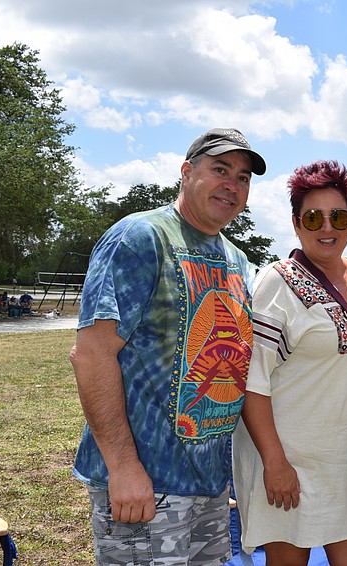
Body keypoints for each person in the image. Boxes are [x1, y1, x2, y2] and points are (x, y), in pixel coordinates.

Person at [69, 127, 266, 565]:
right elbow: (92, 353)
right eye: (220, 170)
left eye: (243, 177)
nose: (232, 185)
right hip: (145, 484)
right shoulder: (141, 238)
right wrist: (122, 467)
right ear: (186, 171)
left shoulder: (236, 260)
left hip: (210, 486)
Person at [231, 160, 347, 566]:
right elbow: (254, 381)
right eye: (313, 217)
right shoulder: (278, 281)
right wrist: (275, 463)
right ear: (296, 224)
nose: (327, 227)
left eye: (338, 216)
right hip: (291, 460)